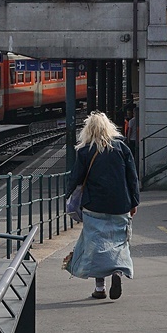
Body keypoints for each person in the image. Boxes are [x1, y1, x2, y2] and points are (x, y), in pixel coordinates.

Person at [61, 111, 139, 301]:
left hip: (93, 205)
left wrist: (67, 195)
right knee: (119, 241)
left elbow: (76, 178)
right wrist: (134, 201)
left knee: (96, 246)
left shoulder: (85, 151)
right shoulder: (122, 148)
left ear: (88, 130)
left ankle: (100, 288)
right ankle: (118, 272)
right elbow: (132, 177)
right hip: (121, 204)